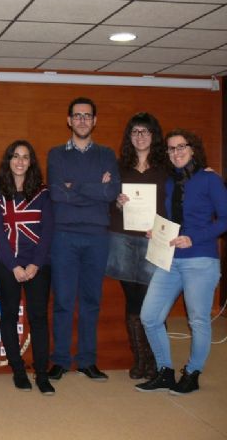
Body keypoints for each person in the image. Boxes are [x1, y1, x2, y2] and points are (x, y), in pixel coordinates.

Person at [136, 129, 227, 395]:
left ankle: (192, 372)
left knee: (198, 320)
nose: (176, 152)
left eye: (181, 147)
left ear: (193, 148)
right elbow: (173, 219)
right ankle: (165, 371)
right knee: (149, 316)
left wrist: (194, 238)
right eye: (171, 149)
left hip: (201, 260)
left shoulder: (209, 179)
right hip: (170, 259)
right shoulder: (169, 182)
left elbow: (224, 219)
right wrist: (157, 230)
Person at [47, 97, 120, 382]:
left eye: (87, 116)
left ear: (94, 121)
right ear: (68, 120)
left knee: (91, 300)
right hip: (64, 236)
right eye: (77, 116)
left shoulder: (106, 154)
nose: (82, 120)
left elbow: (111, 192)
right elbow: (56, 193)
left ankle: (88, 361)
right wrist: (93, 187)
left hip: (97, 236)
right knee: (63, 300)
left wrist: (74, 186)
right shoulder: (56, 154)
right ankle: (61, 360)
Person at [0, 140, 54, 395]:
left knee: (38, 318)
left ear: (31, 162)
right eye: (15, 156)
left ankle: (41, 373)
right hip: (7, 265)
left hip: (38, 264)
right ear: (9, 160)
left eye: (25, 157)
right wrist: (14, 266)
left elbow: (47, 231)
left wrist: (36, 264)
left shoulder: (43, 193)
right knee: (8, 316)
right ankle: (17, 369)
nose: (20, 161)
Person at [106, 113, 168, 380]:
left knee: (151, 301)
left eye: (145, 131)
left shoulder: (166, 168)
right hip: (122, 238)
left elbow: (178, 198)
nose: (140, 136)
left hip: (154, 240)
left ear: (154, 136)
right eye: (135, 132)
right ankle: (140, 360)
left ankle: (156, 359)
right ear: (129, 137)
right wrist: (116, 202)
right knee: (132, 300)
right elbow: (106, 203)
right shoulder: (119, 168)